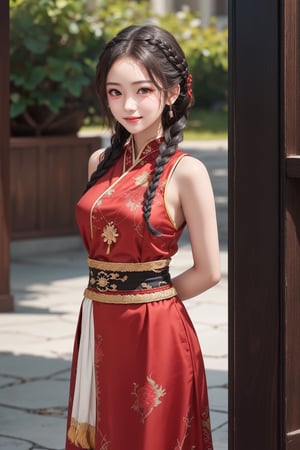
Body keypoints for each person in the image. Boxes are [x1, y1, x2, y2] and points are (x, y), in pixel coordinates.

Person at [66, 24, 220, 450]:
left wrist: (150, 301)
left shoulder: (186, 172)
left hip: (154, 332)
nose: (127, 105)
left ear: (171, 94)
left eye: (143, 91)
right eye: (115, 92)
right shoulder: (100, 161)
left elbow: (209, 272)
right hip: (97, 320)